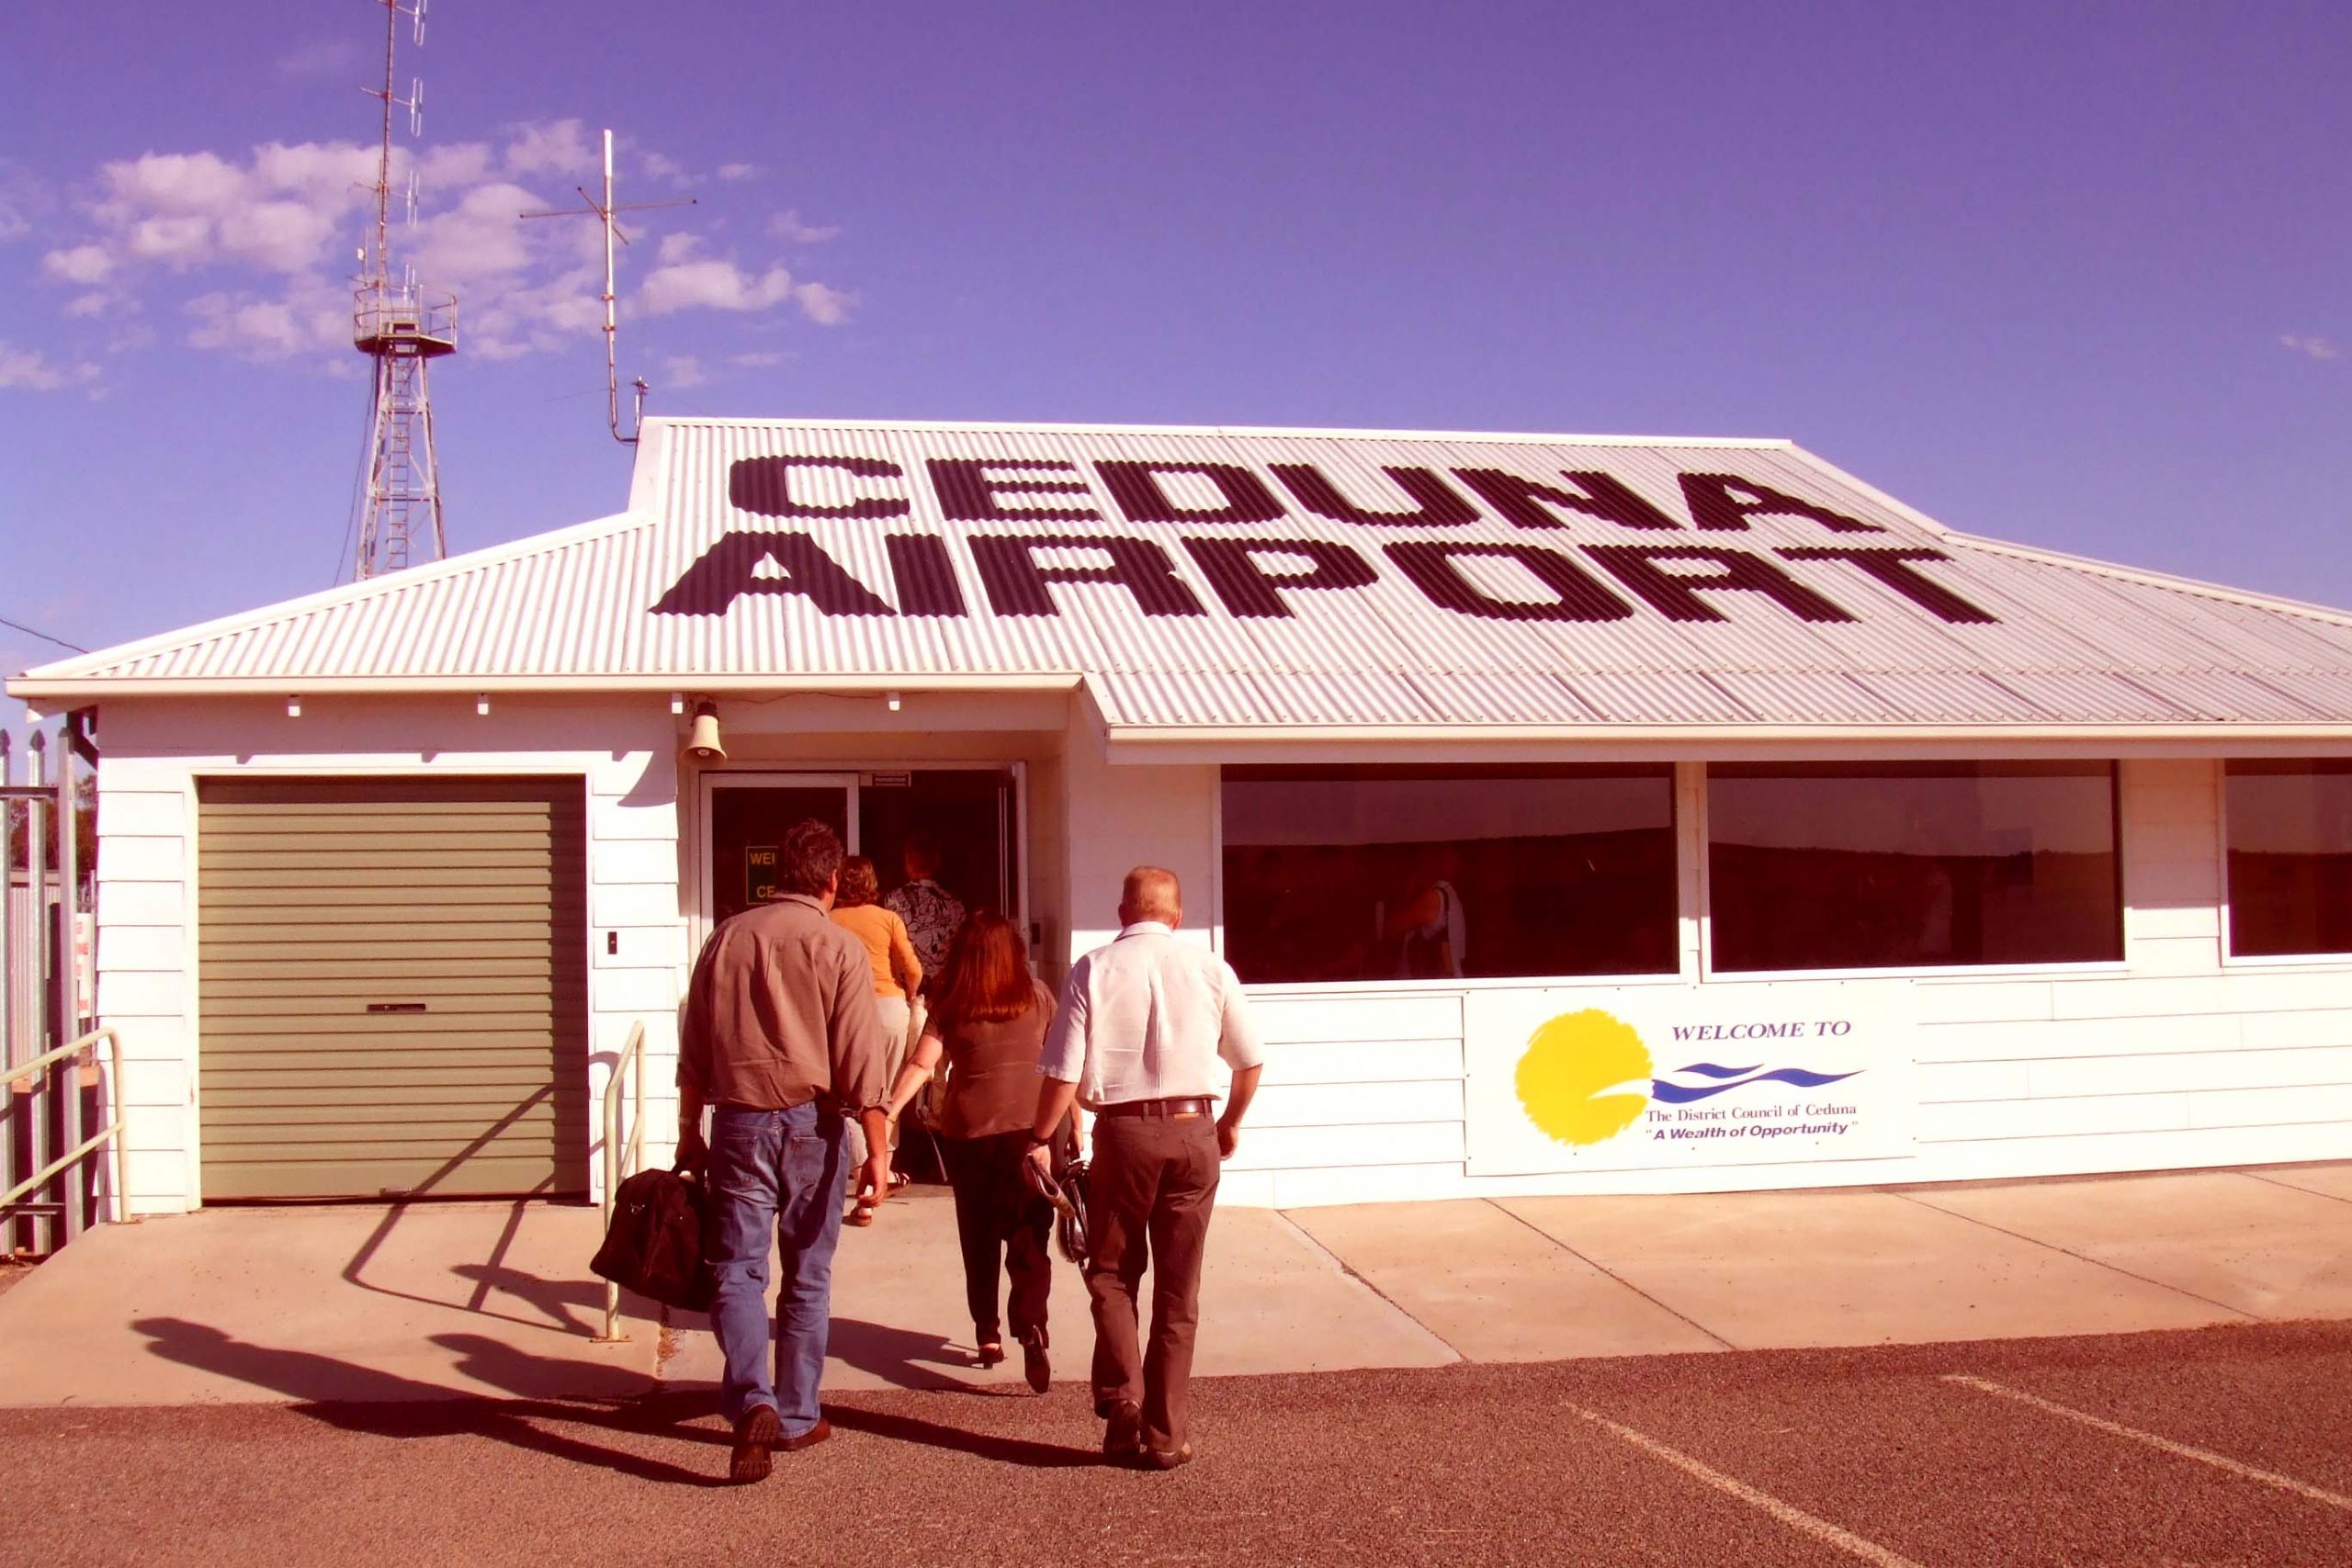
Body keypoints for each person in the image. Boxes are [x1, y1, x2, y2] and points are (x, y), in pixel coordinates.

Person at [676, 818, 894, 1485]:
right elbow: (862, 1063)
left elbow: (694, 1048)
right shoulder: (839, 947)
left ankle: (753, 1399)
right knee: (807, 1274)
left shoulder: (726, 937)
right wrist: (879, 1152)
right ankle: (797, 1413)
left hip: (738, 1121)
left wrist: (687, 1129)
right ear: (831, 880)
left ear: (780, 875)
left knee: (738, 1271)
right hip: (812, 1125)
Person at [1024, 866, 1264, 1470]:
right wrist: (1230, 1122)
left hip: (1125, 1134)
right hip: (1194, 1128)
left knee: (1111, 1273)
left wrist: (1039, 1139)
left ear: (1122, 912)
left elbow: (1063, 1073)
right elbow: (1249, 1061)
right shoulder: (1211, 968)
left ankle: (1124, 1396)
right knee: (1179, 1292)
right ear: (1176, 916)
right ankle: (1165, 1435)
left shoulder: (1093, 968)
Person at [882, 910, 1059, 1391]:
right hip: (1031, 1134)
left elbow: (923, 1063)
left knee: (978, 1236)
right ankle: (1031, 1322)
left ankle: (988, 1334)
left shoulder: (952, 1001)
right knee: (1029, 1236)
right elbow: (1062, 1066)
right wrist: (1075, 1127)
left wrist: (889, 1111)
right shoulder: (1038, 997)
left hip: (970, 1134)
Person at [830, 855, 922, 1218]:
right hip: (890, 1011)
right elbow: (913, 969)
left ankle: (862, 1179)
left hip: (848, 1012)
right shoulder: (888, 919)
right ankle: (878, 1179)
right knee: (885, 1097)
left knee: (849, 1097)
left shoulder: (829, 920)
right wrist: (908, 995)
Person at [882, 835, 967, 998]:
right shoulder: (955, 904)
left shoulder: (893, 901)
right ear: (937, 862)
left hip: (908, 991)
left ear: (907, 860)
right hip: (945, 991)